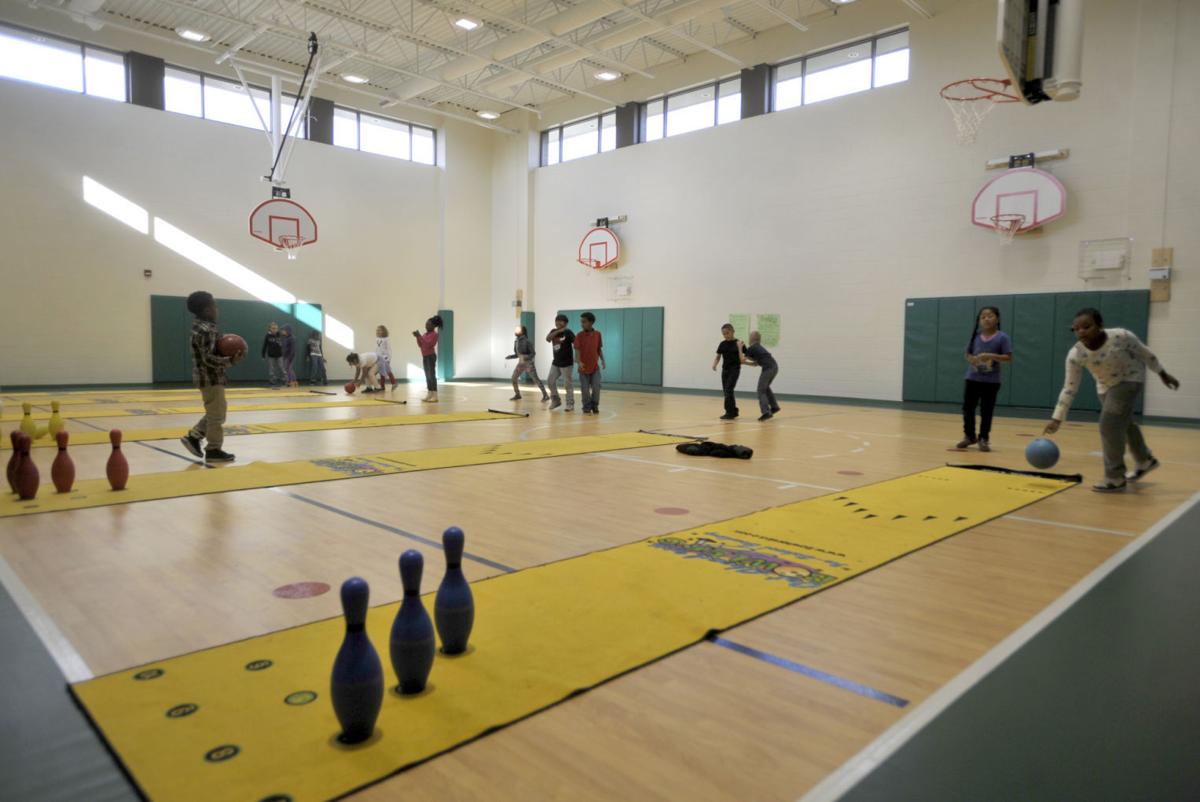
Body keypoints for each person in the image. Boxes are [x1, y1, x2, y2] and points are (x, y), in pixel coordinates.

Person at [1044, 308, 1179, 492]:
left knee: (1109, 425)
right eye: (1076, 329)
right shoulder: (1076, 354)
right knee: (1124, 423)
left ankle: (1115, 477)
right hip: (1105, 387)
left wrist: (1162, 373)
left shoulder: (1121, 336)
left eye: (1086, 326)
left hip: (1130, 379)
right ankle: (1145, 460)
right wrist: (1057, 417)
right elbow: (1069, 387)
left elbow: (1145, 353)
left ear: (1100, 325)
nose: (1081, 331)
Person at [181, 291, 241, 463]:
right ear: (207, 310)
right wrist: (230, 360)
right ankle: (214, 449)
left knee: (217, 411)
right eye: (215, 306)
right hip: (210, 377)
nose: (217, 309)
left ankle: (194, 436)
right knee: (217, 415)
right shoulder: (206, 329)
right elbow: (208, 358)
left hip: (209, 377)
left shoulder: (202, 326)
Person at [956, 306, 1013, 452]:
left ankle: (983, 438)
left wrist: (991, 356)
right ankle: (969, 436)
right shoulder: (975, 337)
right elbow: (967, 354)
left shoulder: (1003, 337)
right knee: (968, 408)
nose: (986, 319)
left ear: (997, 319)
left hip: (991, 381)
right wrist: (972, 360)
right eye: (983, 317)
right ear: (979, 320)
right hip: (972, 378)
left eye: (990, 316)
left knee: (986, 410)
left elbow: (1008, 357)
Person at [741, 331, 779, 422]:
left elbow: (742, 358)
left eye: (749, 337)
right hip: (774, 367)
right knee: (765, 388)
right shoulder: (758, 348)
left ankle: (766, 412)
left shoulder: (753, 347)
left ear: (751, 338)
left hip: (768, 369)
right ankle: (774, 407)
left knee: (761, 390)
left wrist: (739, 348)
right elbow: (755, 363)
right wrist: (745, 363)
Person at [712, 323, 745, 420]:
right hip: (725, 370)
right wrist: (714, 364)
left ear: (732, 331)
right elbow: (718, 356)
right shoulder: (722, 344)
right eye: (723, 334)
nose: (725, 335)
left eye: (727, 333)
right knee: (726, 391)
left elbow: (746, 354)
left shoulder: (739, 343)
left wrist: (754, 361)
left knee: (729, 390)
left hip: (734, 370)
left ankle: (729, 412)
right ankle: (733, 411)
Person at [506, 325, 549, 401]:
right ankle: (517, 394)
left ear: (522, 332)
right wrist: (511, 356)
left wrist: (526, 357)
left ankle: (545, 395)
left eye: (518, 330)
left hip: (529, 364)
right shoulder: (516, 342)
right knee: (513, 378)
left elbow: (533, 353)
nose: (515, 331)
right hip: (520, 364)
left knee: (536, 379)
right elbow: (517, 354)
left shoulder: (527, 341)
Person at [574, 312, 604, 414]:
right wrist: (579, 362)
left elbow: (598, 349)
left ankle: (595, 405)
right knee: (585, 390)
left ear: (591, 322)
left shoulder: (598, 334)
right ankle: (586, 407)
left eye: (584, 322)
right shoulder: (579, 335)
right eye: (581, 322)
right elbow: (577, 352)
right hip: (583, 369)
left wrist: (603, 360)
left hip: (595, 368)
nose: (582, 324)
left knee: (596, 388)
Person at [545, 314, 576, 412]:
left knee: (567, 384)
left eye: (561, 321)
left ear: (566, 323)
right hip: (556, 362)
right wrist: (558, 331)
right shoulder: (553, 332)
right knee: (550, 381)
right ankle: (556, 400)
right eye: (556, 320)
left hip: (567, 363)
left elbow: (576, 343)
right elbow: (548, 339)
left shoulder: (568, 332)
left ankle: (570, 404)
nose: (558, 322)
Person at [412, 315, 443, 402]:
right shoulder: (425, 334)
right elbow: (420, 345)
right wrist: (417, 337)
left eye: (428, 324)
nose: (426, 326)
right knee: (427, 375)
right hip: (425, 356)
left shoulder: (435, 335)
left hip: (430, 356)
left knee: (432, 375)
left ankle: (435, 395)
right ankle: (429, 393)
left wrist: (420, 337)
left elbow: (429, 344)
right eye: (426, 324)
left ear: (433, 326)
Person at [261, 322, 284, 388]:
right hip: (271, 355)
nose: (274, 330)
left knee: (281, 367)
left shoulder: (280, 335)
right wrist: (263, 355)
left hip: (279, 355)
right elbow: (265, 345)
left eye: (276, 328)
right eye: (273, 328)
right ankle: (273, 382)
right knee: (272, 369)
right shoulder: (267, 336)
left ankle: (285, 381)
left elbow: (284, 344)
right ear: (270, 329)